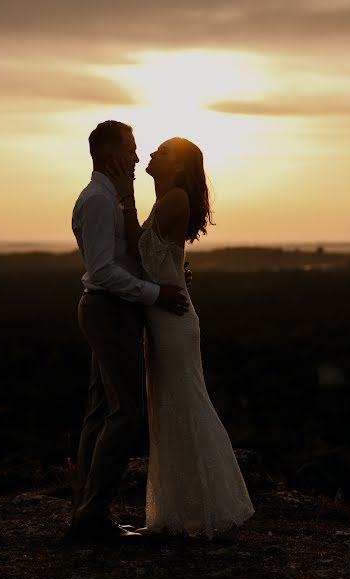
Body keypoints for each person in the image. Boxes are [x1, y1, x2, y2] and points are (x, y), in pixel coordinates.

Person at [108, 136, 255, 538]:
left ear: (177, 167)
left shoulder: (173, 199)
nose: (152, 155)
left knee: (181, 405)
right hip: (165, 313)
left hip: (172, 319)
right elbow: (156, 255)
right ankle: (181, 512)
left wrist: (124, 196)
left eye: (162, 152)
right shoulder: (168, 199)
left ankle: (200, 512)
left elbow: (138, 250)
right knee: (170, 406)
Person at [68, 121, 189, 542]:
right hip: (110, 311)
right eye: (132, 150)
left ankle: (86, 509)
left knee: (101, 410)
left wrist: (165, 268)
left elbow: (127, 256)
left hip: (112, 310)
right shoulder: (99, 201)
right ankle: (93, 515)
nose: (138, 158)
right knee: (126, 413)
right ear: (110, 155)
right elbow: (101, 270)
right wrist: (153, 293)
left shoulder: (109, 197)